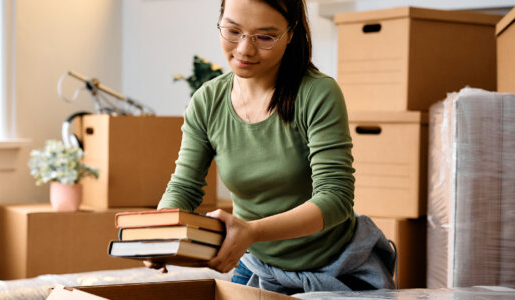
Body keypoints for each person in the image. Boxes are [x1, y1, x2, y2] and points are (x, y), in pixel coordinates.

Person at [150, 0, 396, 295]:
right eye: (232, 31)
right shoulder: (207, 101)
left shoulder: (317, 93)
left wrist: (252, 231)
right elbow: (185, 186)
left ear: (290, 33)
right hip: (259, 266)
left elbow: (335, 198)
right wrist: (158, 235)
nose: (244, 49)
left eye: (265, 37)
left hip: (337, 268)